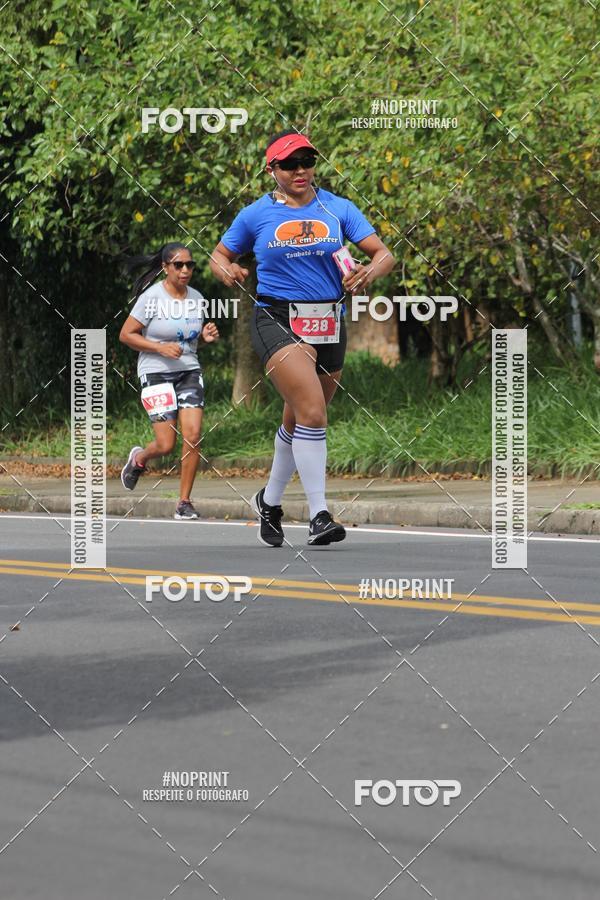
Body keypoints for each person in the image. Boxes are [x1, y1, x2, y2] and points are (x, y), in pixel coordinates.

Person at [209, 130, 395, 546]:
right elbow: (219, 256)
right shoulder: (254, 215)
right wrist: (228, 271)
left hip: (328, 319)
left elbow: (384, 253)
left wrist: (368, 271)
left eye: (307, 161)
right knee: (312, 412)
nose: (300, 170)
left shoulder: (338, 207)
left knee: (298, 417)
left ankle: (269, 501)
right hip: (277, 317)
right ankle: (319, 515)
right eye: (290, 164)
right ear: (270, 169)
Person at [119, 242, 219, 519]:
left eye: (190, 265)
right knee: (166, 445)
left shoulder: (197, 298)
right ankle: (140, 458)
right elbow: (126, 335)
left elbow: (189, 341)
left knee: (194, 435)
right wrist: (160, 348)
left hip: (189, 370)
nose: (185, 270)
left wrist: (204, 338)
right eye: (179, 265)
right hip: (155, 371)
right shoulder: (152, 297)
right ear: (165, 268)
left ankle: (184, 502)